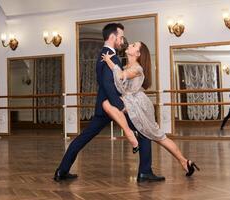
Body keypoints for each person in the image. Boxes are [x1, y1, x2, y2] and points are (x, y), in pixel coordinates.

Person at [54, 23, 165, 183]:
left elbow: (112, 81)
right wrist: (121, 107)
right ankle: (145, 172)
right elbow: (107, 84)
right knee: (144, 131)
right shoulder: (109, 55)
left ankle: (62, 171)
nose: (123, 40)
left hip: (104, 106)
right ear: (113, 37)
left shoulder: (106, 54)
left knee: (83, 137)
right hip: (113, 106)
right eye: (121, 37)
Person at [101, 41, 200, 176]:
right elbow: (119, 81)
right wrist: (111, 63)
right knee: (153, 136)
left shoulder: (137, 69)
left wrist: (108, 61)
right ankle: (181, 162)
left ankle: (183, 161)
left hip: (138, 104)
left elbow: (119, 76)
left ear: (138, 53)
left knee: (159, 137)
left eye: (134, 45)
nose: (130, 44)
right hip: (130, 101)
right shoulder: (126, 66)